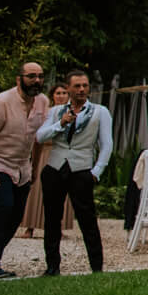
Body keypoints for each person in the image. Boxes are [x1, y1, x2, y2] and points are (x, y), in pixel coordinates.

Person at [33, 70, 113, 275]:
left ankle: (96, 267)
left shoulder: (100, 111)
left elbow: (106, 144)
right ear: (68, 88)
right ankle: (52, 266)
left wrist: (96, 171)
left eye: (85, 86)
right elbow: (40, 136)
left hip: (81, 170)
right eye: (77, 86)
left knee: (87, 219)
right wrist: (60, 124)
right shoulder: (56, 111)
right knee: (51, 219)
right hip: (55, 168)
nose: (81, 90)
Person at [0, 61, 48, 279]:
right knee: (4, 207)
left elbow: (38, 138)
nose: (36, 81)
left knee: (16, 216)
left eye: (40, 76)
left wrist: (34, 167)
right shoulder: (2, 102)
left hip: (23, 166)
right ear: (19, 79)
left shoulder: (43, 102)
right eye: (31, 76)